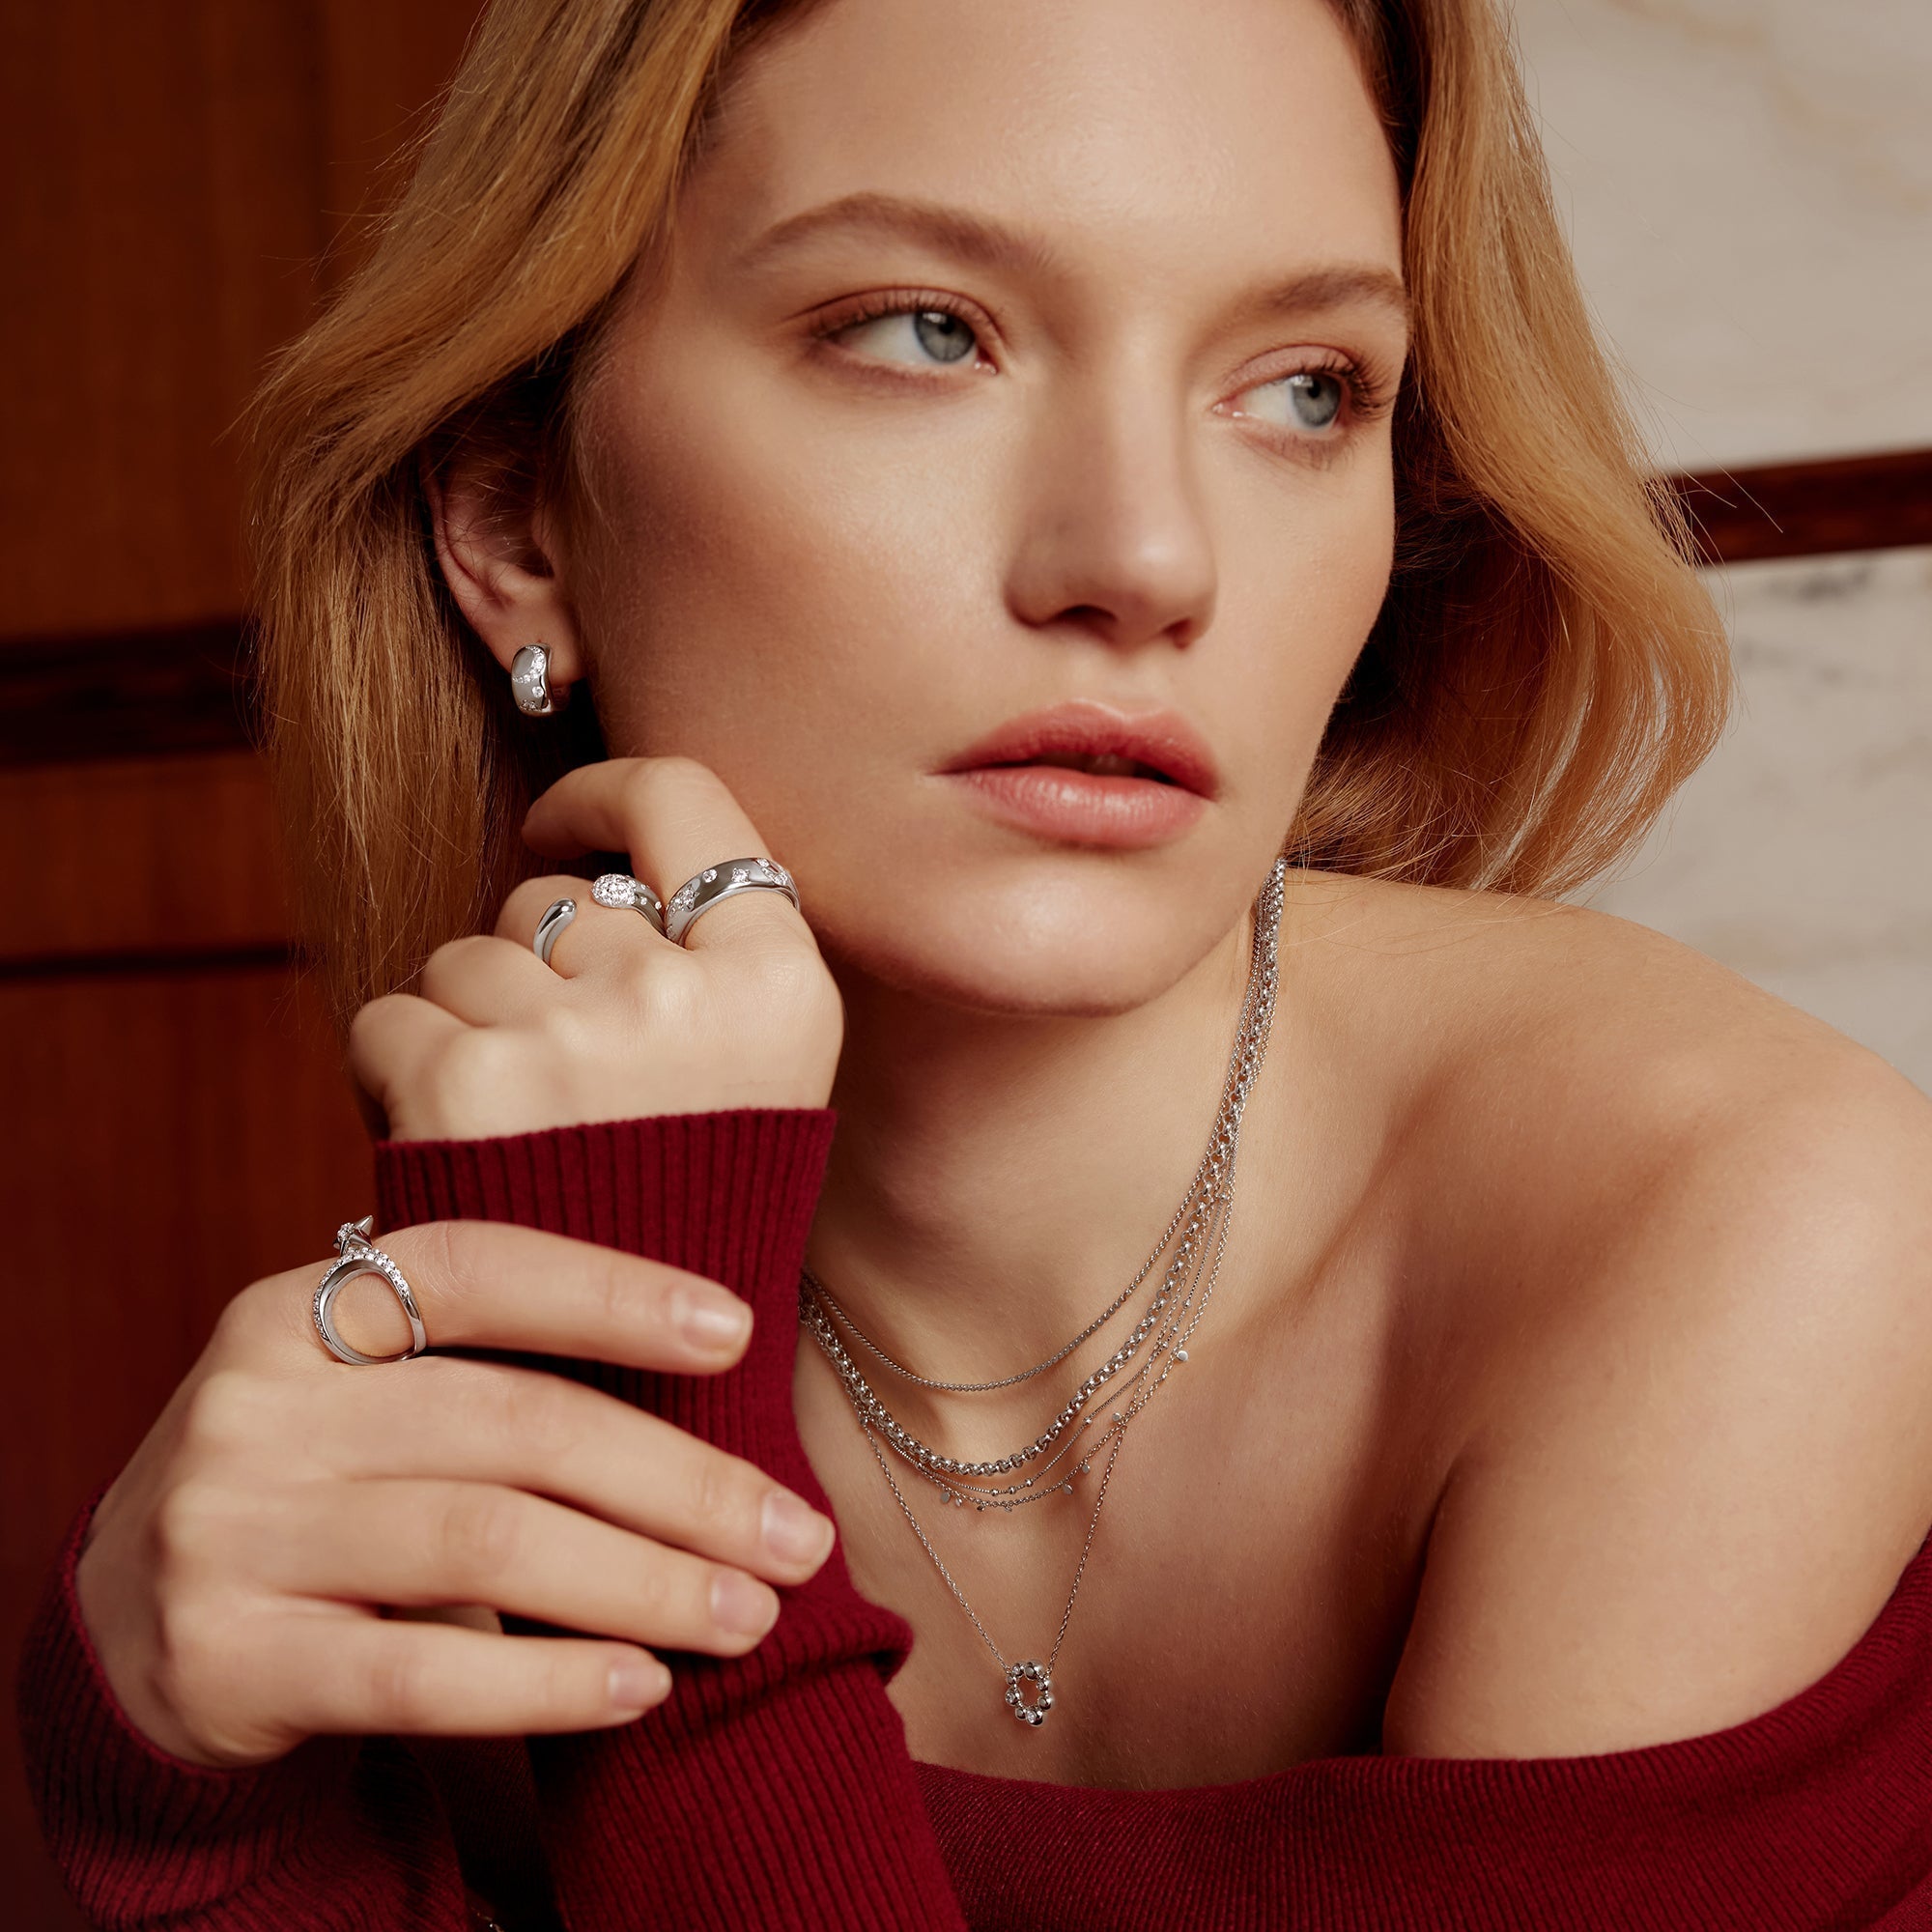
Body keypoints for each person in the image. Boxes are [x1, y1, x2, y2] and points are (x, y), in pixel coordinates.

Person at [17, 0, 1932, 1924]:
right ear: (515, 516)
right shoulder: (511, 1284)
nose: (1147, 561)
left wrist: (661, 1490)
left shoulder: (1738, 1214)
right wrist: (199, 1804)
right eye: (926, 331)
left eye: (1304, 387)